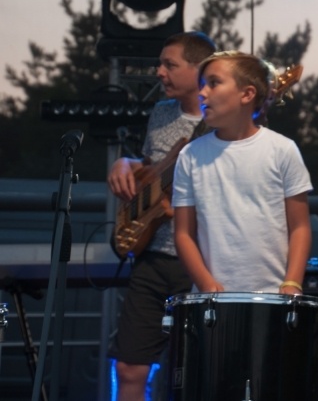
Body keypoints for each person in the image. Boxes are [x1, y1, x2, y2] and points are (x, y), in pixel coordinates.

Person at [106, 31, 217, 401]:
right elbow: (155, 169)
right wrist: (128, 162)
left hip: (200, 261)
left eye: (170, 65)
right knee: (129, 368)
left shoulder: (222, 121)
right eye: (160, 64)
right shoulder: (161, 112)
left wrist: (184, 206)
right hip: (152, 258)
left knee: (193, 373)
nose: (159, 72)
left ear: (199, 69)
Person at [172, 51, 312, 294]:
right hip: (211, 299)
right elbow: (183, 233)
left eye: (214, 83)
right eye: (202, 85)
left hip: (273, 296)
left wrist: (292, 282)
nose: (202, 93)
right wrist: (206, 283)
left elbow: (300, 226)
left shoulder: (283, 150)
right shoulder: (190, 155)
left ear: (247, 94)